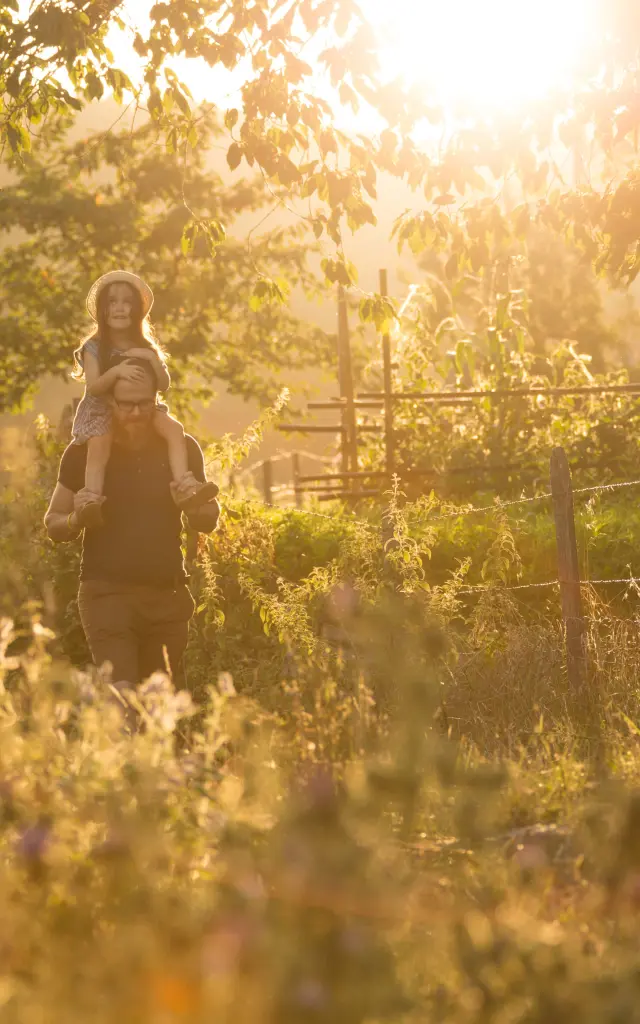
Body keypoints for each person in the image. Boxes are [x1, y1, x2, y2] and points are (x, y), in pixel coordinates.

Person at [44, 353, 220, 699]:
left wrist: (194, 505)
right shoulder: (82, 454)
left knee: (160, 712)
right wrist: (79, 517)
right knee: (122, 699)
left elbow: (209, 519)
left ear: (157, 398)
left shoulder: (182, 448)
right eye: (126, 405)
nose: (136, 413)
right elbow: (53, 523)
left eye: (145, 403)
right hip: (107, 593)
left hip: (167, 597)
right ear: (109, 400)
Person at [70, 269, 218, 528]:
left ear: (137, 309)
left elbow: (163, 384)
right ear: (103, 309)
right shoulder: (93, 347)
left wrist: (152, 359)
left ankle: (185, 486)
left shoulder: (144, 344)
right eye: (112, 302)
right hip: (102, 408)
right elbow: (94, 387)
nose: (120, 308)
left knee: (174, 429)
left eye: (127, 302)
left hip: (144, 405)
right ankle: (90, 501)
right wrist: (116, 372)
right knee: (99, 446)